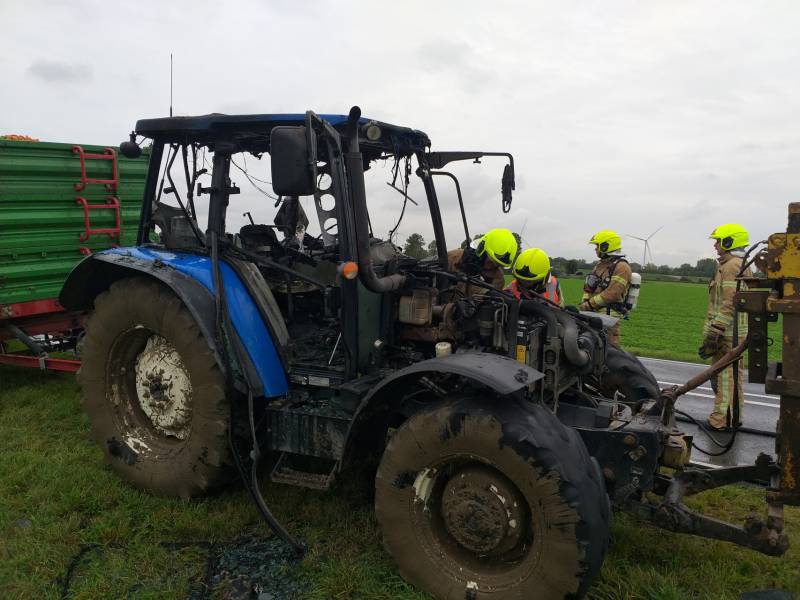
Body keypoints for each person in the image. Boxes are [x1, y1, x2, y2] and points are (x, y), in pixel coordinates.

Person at [700, 223, 751, 431]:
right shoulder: (736, 264)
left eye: (718, 241)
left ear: (730, 242)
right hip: (734, 332)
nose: (715, 245)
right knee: (732, 376)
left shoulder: (731, 266)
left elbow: (729, 303)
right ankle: (734, 416)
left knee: (725, 378)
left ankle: (721, 421)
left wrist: (714, 332)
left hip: (728, 334)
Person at [578, 229, 632, 346]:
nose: (595, 249)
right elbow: (588, 287)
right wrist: (585, 301)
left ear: (606, 246)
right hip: (592, 314)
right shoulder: (599, 265)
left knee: (609, 350)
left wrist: (589, 304)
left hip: (609, 317)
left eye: (597, 246)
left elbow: (612, 293)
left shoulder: (622, 267)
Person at [447, 228, 518, 296]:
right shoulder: (452, 258)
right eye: (490, 261)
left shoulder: (498, 278)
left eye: (497, 265)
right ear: (481, 249)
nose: (491, 266)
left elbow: (485, 302)